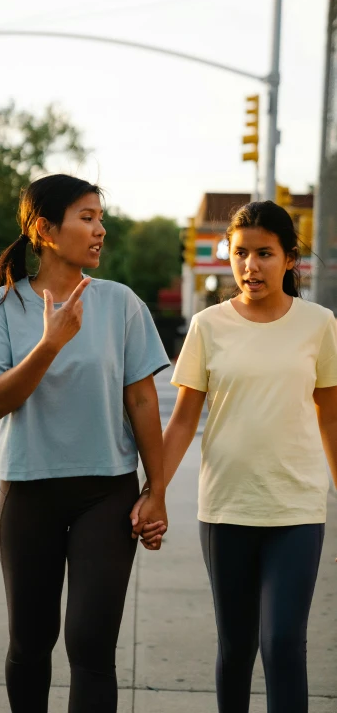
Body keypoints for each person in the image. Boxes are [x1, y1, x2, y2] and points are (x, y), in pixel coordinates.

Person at [0, 174, 168, 712]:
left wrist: (157, 489)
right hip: (28, 494)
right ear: (45, 230)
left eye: (101, 217)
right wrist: (49, 345)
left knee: (92, 646)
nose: (101, 229)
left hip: (107, 493)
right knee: (31, 644)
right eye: (87, 217)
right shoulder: (1, 309)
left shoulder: (121, 304)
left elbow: (143, 403)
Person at [133, 200, 337, 713]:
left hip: (296, 508)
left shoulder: (320, 325)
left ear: (290, 259)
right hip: (226, 508)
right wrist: (153, 493)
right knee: (236, 646)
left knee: (283, 643)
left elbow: (330, 416)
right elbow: (182, 420)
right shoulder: (207, 325)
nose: (250, 266)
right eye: (240, 253)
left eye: (264, 254)